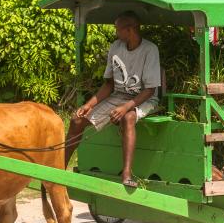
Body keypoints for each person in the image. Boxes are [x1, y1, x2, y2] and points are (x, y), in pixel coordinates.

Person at [64, 11, 161, 187]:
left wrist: (125, 108)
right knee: (76, 120)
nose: (115, 32)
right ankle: (59, 167)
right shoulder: (115, 47)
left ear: (130, 30)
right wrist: (88, 105)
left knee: (128, 117)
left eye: (118, 29)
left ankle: (126, 174)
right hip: (119, 96)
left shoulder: (150, 50)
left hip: (145, 98)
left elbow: (150, 90)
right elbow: (109, 85)